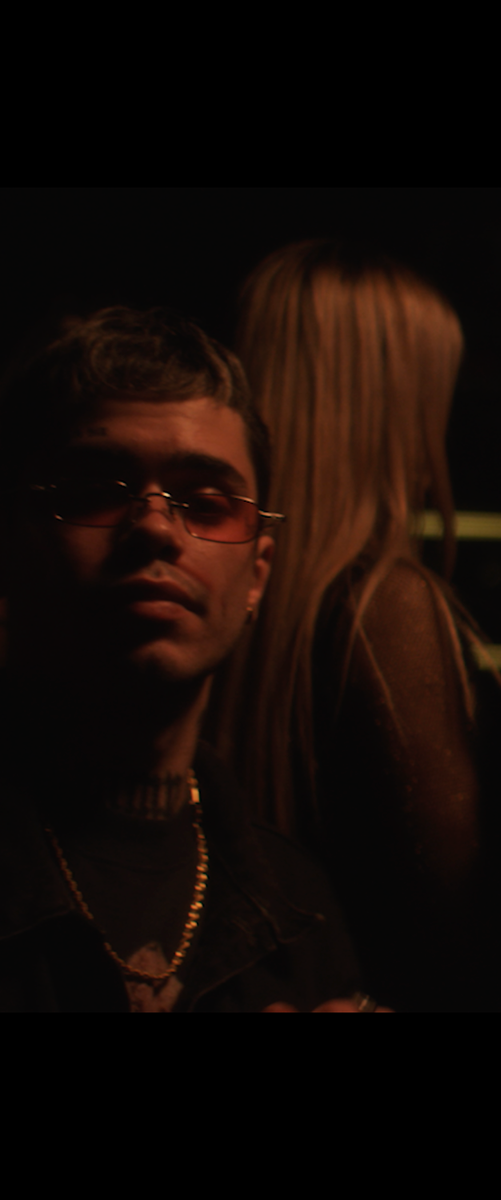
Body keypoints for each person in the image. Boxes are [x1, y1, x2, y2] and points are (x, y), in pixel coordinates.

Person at [0, 307, 371, 1011]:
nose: (155, 526)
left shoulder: (299, 906)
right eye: (92, 492)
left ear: (257, 575)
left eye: (204, 503)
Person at [216, 242, 501, 1010]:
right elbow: (461, 929)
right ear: (395, 406)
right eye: (432, 395)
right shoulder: (391, 608)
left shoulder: (229, 611)